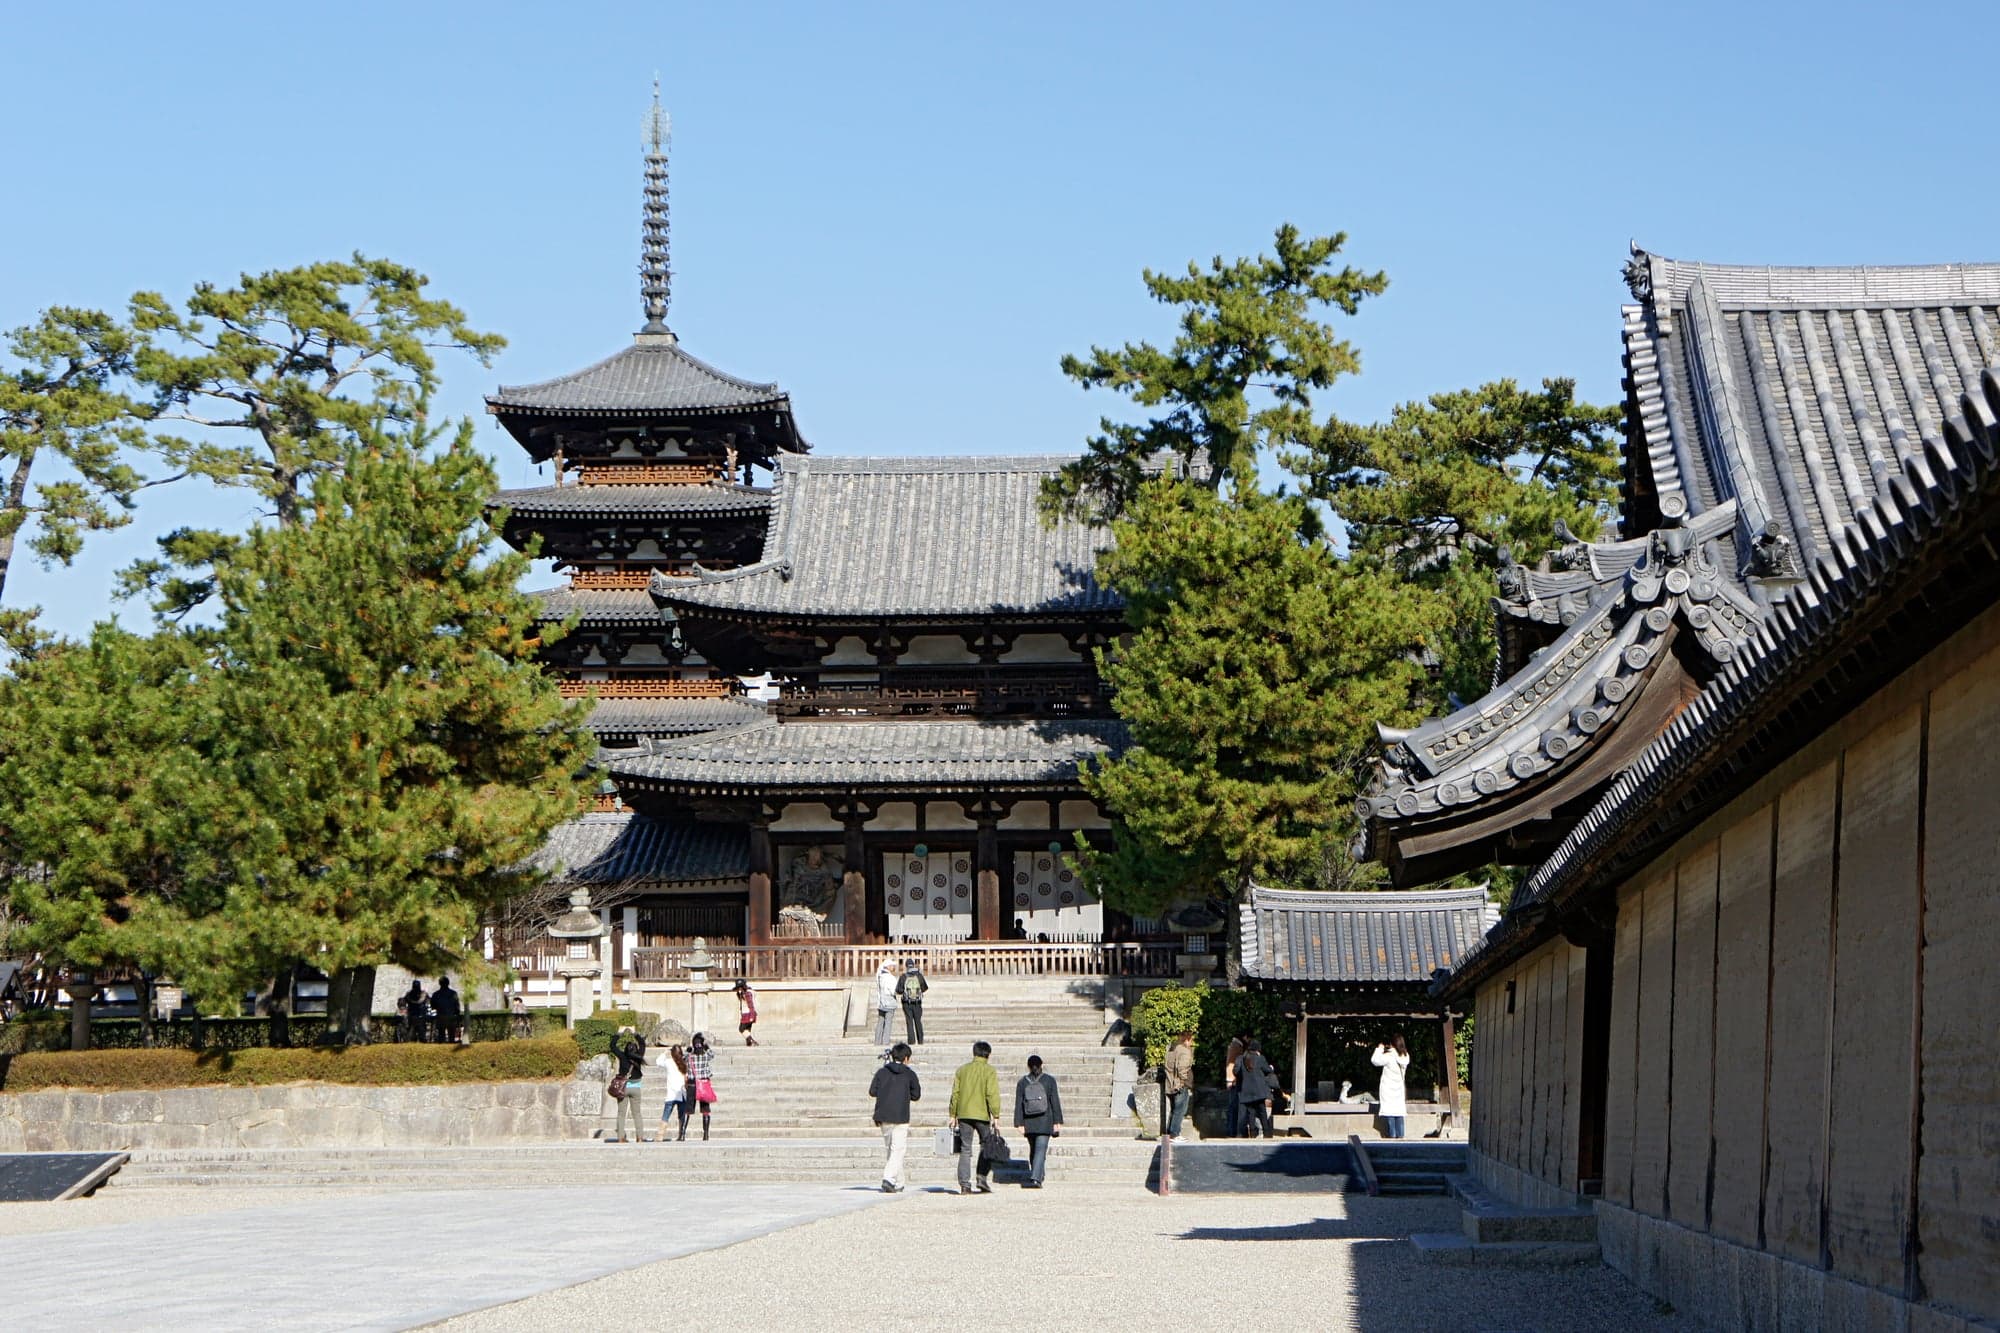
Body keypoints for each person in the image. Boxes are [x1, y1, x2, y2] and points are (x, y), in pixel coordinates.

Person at [947, 1040, 1002, 1195]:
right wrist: (995, 1115)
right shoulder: (989, 1071)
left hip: (964, 1114)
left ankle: (964, 1184)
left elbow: (955, 1094)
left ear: (974, 1053)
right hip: (982, 1114)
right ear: (988, 1055)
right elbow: (992, 1094)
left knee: (965, 1149)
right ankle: (981, 1178)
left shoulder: (962, 1070)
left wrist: (953, 1114)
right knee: (986, 1146)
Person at [868, 1041, 922, 1192]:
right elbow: (916, 1095)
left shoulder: (882, 1072)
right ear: (906, 1058)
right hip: (900, 1115)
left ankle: (898, 1182)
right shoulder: (909, 1074)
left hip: (883, 1115)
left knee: (891, 1150)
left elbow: (872, 1091)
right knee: (898, 1150)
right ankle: (888, 1178)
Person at [1012, 1054, 1064, 1189]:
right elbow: (1055, 1102)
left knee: (1034, 1149)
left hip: (1029, 1121)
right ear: (1042, 1065)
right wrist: (1057, 1121)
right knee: (1041, 1149)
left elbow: (1018, 1104)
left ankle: (1038, 1174)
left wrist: (1019, 1123)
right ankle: (1036, 1178)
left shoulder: (1022, 1082)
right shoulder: (1049, 1080)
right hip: (1045, 1120)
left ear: (1028, 1066)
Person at [610, 1025, 648, 1143]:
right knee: (637, 1113)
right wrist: (634, 1033)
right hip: (635, 1087)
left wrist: (619, 1033)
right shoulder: (639, 1056)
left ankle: (621, 1137)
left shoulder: (622, 1056)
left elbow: (612, 1046)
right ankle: (640, 1137)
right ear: (636, 1050)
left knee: (621, 1113)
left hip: (624, 1087)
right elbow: (642, 1044)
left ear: (625, 1050)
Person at [1234, 1038, 1277, 1139]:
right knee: (1262, 1112)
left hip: (1246, 1090)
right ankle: (1266, 1133)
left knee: (1250, 1113)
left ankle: (1251, 1133)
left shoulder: (1242, 1058)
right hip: (1258, 1090)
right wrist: (1271, 1068)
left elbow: (1236, 1072)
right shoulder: (1260, 1058)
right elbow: (1268, 1070)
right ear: (1257, 1049)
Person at [1373, 1032, 1411, 1139]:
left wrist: (1380, 1048)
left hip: (1388, 1090)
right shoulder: (1405, 1056)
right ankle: (1401, 1137)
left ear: (1392, 1044)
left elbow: (1375, 1060)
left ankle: (1392, 1139)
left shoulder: (1389, 1056)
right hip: (1399, 1089)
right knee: (1399, 1114)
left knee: (1390, 1114)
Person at [1162, 1029, 1195, 1140]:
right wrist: (1183, 1081)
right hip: (1180, 1084)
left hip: (1170, 1083)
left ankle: (1169, 1134)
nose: (1192, 1043)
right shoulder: (1184, 1051)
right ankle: (1174, 1134)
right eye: (1191, 1040)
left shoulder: (1171, 1048)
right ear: (1187, 1039)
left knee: (1174, 1109)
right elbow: (1182, 1068)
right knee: (1180, 1110)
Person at [686, 1031, 716, 1140]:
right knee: (705, 1109)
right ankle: (706, 1134)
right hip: (704, 1084)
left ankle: (683, 1133)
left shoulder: (690, 1057)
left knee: (688, 1109)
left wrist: (688, 1050)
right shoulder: (705, 1056)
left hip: (692, 1084)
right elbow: (712, 1054)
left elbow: (682, 1058)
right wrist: (707, 1047)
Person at [658, 1043, 691, 1141]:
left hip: (671, 1094)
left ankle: (660, 1135)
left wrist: (664, 1053)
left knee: (665, 1116)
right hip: (681, 1094)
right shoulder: (684, 1063)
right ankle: (681, 1134)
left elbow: (658, 1062)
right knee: (681, 1116)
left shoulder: (669, 1062)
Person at [897, 959, 928, 1045]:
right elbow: (925, 988)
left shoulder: (903, 976)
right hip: (917, 1002)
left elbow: (899, 990)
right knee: (918, 1021)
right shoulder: (919, 976)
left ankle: (911, 1041)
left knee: (909, 1021)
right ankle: (920, 1040)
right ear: (913, 965)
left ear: (906, 966)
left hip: (907, 1003)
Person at [1222, 1031, 1247, 1137]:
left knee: (1232, 1107)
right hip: (1234, 1081)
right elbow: (1235, 1065)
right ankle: (1232, 1131)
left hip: (1230, 1080)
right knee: (1234, 1107)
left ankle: (1231, 1130)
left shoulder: (1233, 1045)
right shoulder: (1237, 1046)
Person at [872, 958, 900, 1047]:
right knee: (888, 1022)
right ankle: (885, 1041)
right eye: (892, 966)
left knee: (880, 1021)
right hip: (889, 1002)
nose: (893, 967)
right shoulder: (890, 978)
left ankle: (877, 1040)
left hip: (881, 1002)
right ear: (888, 967)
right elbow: (893, 990)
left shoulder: (880, 976)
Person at [430, 976, 463, 1044]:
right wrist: (457, 1015)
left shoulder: (436, 994)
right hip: (451, 1017)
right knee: (451, 1037)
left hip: (441, 1016)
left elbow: (433, 1006)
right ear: (448, 983)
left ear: (439, 983)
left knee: (441, 1036)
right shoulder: (453, 993)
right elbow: (457, 1006)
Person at [735, 979, 760, 1047]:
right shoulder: (746, 993)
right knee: (747, 1029)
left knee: (741, 1028)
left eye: (739, 988)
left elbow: (750, 1005)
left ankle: (751, 1040)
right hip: (748, 1013)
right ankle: (749, 1042)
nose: (738, 990)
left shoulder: (747, 993)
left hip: (748, 1013)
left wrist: (752, 1015)